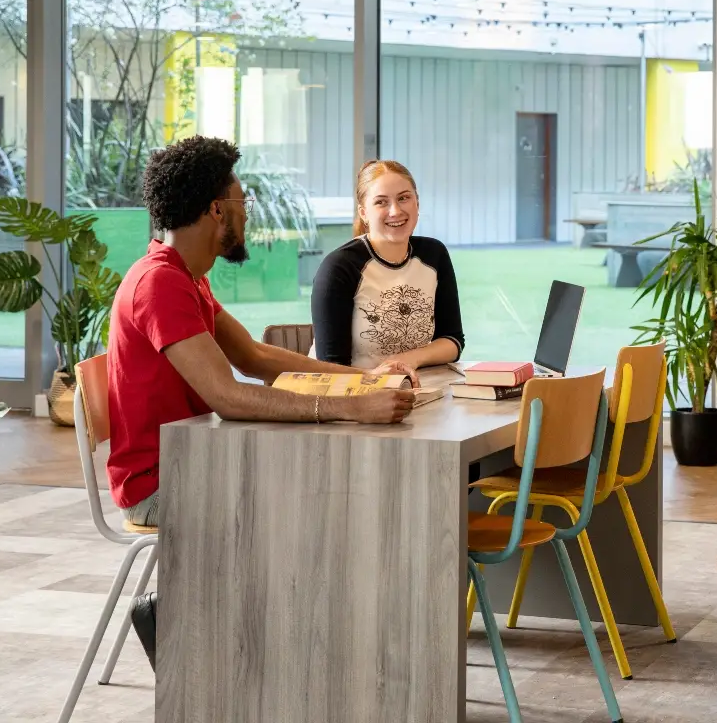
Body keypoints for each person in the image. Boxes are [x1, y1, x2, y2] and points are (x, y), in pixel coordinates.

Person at [108, 135, 418, 669]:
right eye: (242, 204)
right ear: (215, 210)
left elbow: (254, 357)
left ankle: (272, 648)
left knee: (329, 495)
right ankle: (231, 639)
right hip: (163, 484)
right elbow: (228, 396)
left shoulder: (186, 278)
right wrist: (349, 407)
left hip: (200, 464)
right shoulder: (159, 284)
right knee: (323, 503)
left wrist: (357, 383)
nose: (247, 215)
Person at [310, 159, 465, 370]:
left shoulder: (434, 255)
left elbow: (452, 340)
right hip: (349, 395)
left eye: (404, 198)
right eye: (381, 202)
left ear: (417, 203)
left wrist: (411, 359)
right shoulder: (339, 268)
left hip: (414, 389)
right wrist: (377, 379)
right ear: (364, 212)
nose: (395, 211)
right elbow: (331, 365)